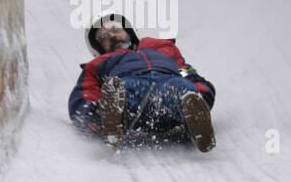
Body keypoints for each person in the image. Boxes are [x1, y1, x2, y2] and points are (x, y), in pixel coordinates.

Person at [68, 13, 217, 152]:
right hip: (131, 87)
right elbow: (85, 93)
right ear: (98, 46)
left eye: (115, 29)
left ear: (128, 31)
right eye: (104, 36)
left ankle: (196, 122)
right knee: (119, 90)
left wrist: (200, 90)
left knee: (184, 89)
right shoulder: (98, 64)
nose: (112, 35)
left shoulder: (162, 48)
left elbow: (183, 70)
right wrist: (94, 113)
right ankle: (113, 120)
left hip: (169, 82)